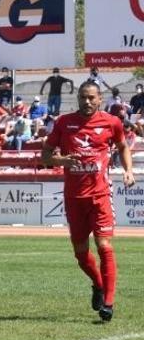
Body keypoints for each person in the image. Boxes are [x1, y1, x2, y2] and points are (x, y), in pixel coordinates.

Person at [42, 81, 135, 322]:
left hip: (100, 194)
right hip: (74, 198)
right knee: (81, 254)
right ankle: (98, 284)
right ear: (78, 98)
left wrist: (128, 171)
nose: (87, 102)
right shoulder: (64, 122)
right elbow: (46, 155)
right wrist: (62, 162)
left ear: (100, 98)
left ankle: (109, 303)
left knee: (105, 247)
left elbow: (123, 147)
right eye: (83, 97)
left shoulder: (111, 122)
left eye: (92, 97)